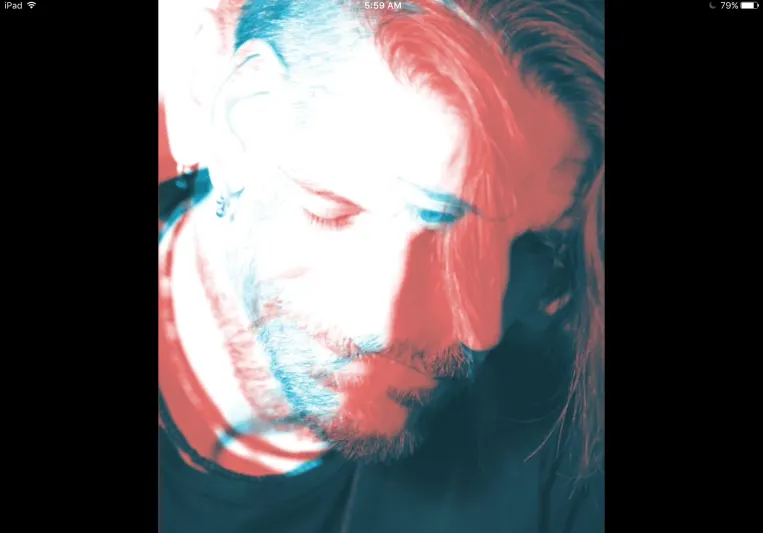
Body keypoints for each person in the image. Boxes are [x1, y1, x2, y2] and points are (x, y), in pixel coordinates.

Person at [158, 0, 605, 531]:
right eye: (435, 218)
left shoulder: (565, 450)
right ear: (244, 125)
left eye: (536, 247)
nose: (481, 333)